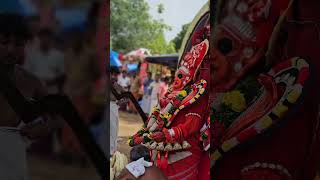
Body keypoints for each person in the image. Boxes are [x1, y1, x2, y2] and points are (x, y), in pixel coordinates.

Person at [0, 13, 60, 180]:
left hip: (13, 152)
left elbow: (56, 117)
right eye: (4, 42)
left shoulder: (31, 82)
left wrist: (44, 128)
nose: (10, 49)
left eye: (18, 44)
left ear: (26, 45)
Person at [61, 29, 101, 165]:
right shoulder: (67, 53)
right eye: (73, 38)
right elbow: (65, 72)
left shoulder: (90, 54)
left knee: (81, 125)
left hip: (83, 95)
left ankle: (80, 154)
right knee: (67, 125)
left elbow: (96, 74)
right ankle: (67, 152)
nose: (75, 41)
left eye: (78, 38)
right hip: (68, 94)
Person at [24, 28, 65, 94]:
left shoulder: (58, 55)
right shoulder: (31, 55)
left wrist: (49, 82)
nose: (45, 40)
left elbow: (62, 75)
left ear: (51, 39)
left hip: (52, 92)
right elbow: (26, 74)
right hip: (35, 92)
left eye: (47, 37)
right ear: (39, 38)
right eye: (43, 37)